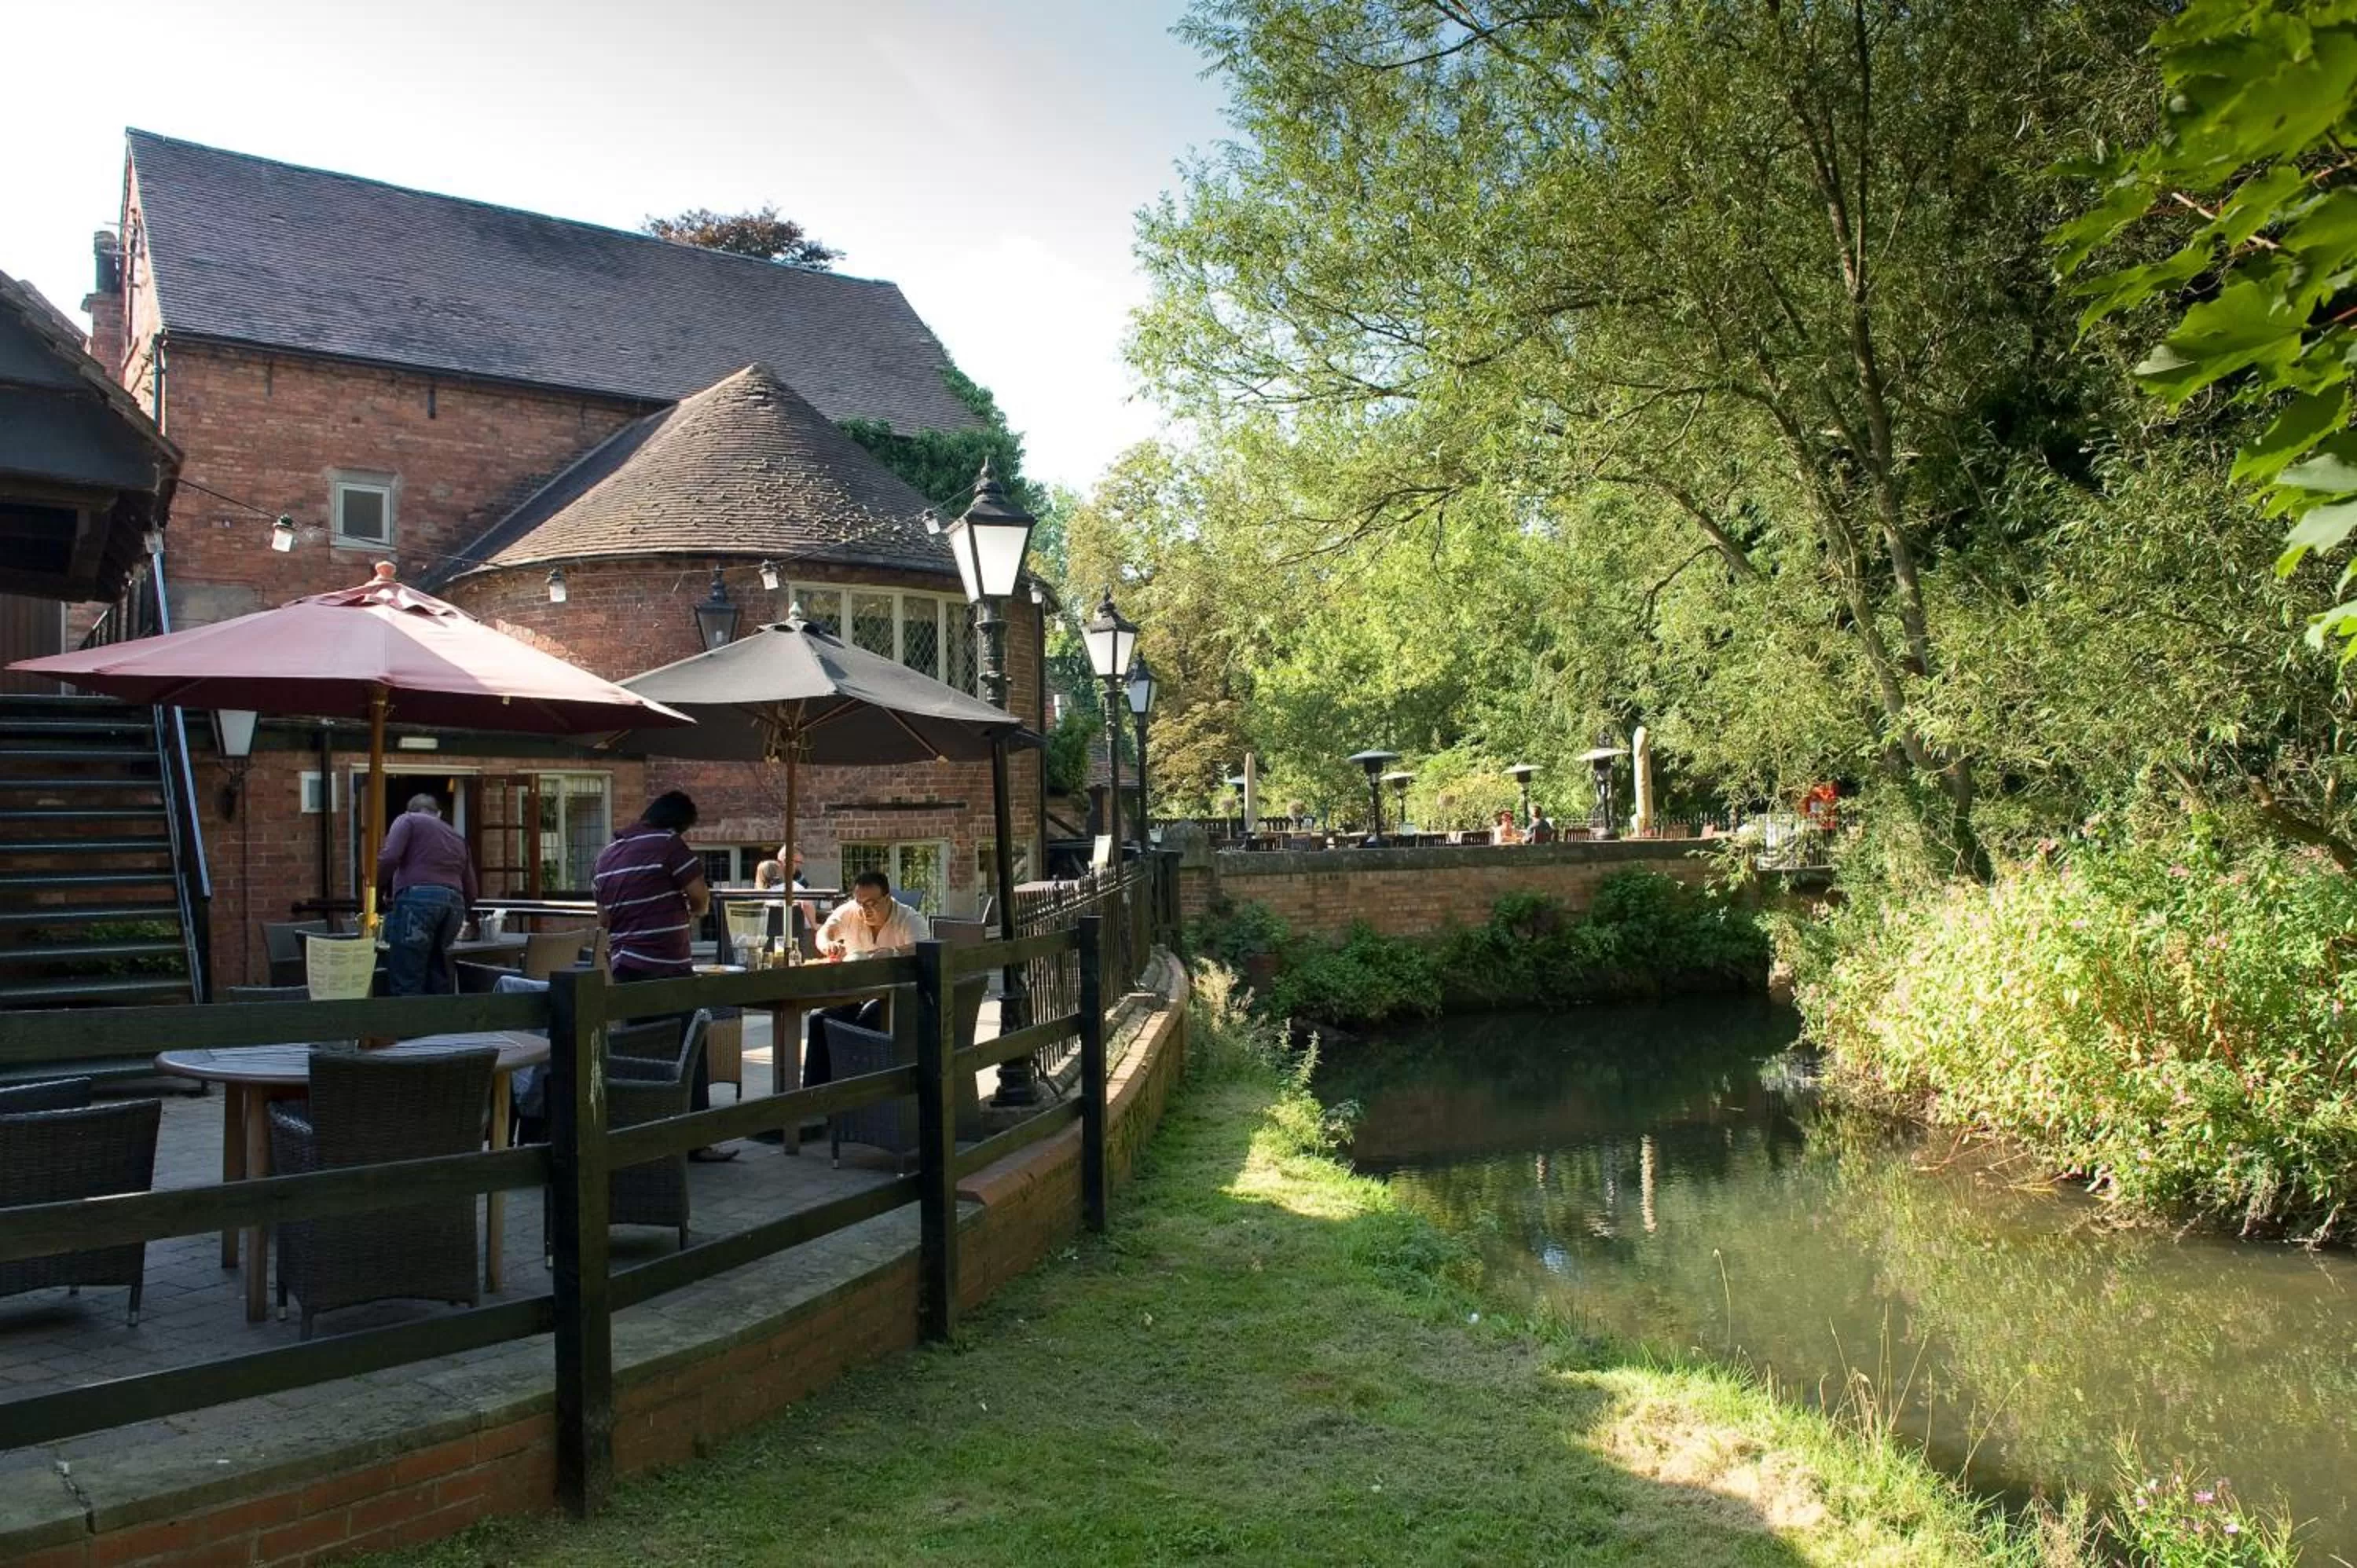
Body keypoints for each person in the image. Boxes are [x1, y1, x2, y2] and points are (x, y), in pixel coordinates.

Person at [592, 790, 735, 1162]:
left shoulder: (606, 855)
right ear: (679, 823)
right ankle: (694, 1141)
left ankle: (645, 1136)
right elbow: (700, 896)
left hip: (624, 966)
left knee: (642, 1049)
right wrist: (693, 911)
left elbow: (603, 920)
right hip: (666, 967)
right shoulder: (669, 845)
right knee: (690, 1046)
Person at [806, 871, 931, 1087]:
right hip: (856, 993)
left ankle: (859, 1090)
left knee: (865, 1021)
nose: (865, 909)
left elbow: (924, 949)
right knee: (818, 1018)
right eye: (860, 902)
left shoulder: (909, 918)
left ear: (888, 898)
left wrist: (894, 952)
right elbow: (824, 931)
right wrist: (828, 944)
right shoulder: (851, 911)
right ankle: (814, 1096)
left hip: (896, 997)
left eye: (872, 903)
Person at [377, 793, 477, 995]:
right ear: (437, 814)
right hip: (453, 906)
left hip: (418, 901)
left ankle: (409, 1026)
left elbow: (389, 857)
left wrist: (375, 890)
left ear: (409, 809)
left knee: (407, 975)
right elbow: (471, 890)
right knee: (438, 972)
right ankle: (438, 1025)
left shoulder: (407, 820)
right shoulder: (456, 837)